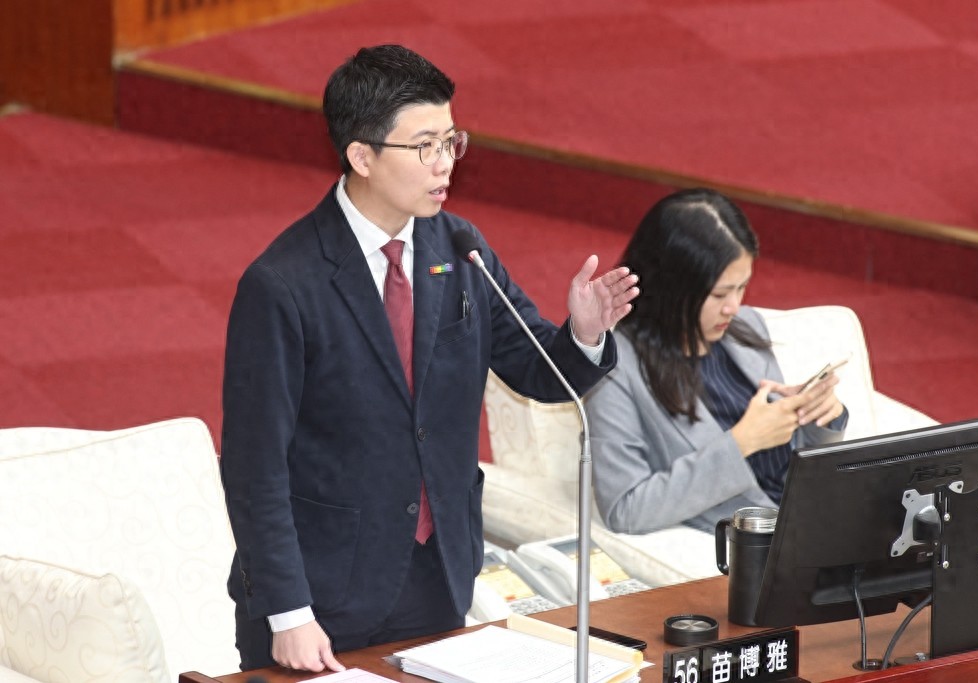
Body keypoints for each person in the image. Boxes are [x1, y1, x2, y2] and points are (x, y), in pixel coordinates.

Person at [219, 44, 638, 673]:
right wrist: (288, 612)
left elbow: (538, 371)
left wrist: (583, 333)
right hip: (322, 594)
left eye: (450, 142)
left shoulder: (462, 251)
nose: (445, 163)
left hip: (437, 574)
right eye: (424, 147)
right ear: (362, 156)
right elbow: (254, 466)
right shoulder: (283, 285)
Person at [587, 188, 846, 536]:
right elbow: (625, 509)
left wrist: (816, 418)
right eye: (720, 294)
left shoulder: (746, 328)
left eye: (742, 287)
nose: (733, 307)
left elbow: (793, 469)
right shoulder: (616, 371)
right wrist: (741, 443)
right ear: (672, 287)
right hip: (760, 543)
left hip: (813, 520)